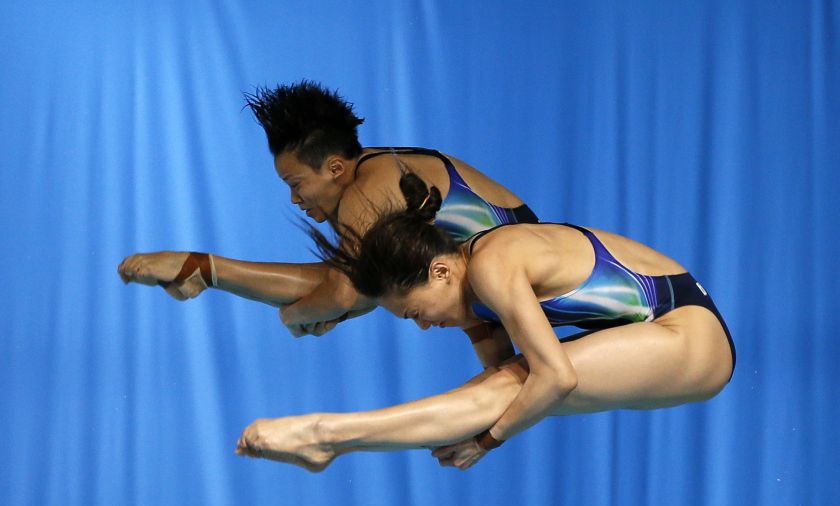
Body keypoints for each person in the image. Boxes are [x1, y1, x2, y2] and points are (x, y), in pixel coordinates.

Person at [235, 187, 735, 471]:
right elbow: (494, 382)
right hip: (661, 334)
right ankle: (330, 441)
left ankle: (327, 434)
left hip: (690, 335)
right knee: (500, 385)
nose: (426, 327)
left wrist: (488, 441)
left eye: (415, 314)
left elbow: (555, 378)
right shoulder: (470, 284)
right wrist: (481, 423)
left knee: (514, 385)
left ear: (441, 271)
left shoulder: (495, 264)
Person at [117, 81, 538, 339]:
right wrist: (331, 310)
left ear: (335, 167)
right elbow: (363, 291)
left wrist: (294, 317)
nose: (294, 200)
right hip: (502, 312)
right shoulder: (365, 184)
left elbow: (345, 292)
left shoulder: (368, 191)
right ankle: (204, 269)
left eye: (295, 184)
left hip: (549, 300)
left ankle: (204, 268)